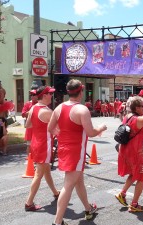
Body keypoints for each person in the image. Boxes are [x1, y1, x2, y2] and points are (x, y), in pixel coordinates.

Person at [48, 79, 107, 225]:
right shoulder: (82, 109)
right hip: (76, 151)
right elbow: (91, 132)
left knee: (78, 181)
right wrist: (102, 127)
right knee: (68, 185)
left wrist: (61, 134)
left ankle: (88, 209)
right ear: (80, 92)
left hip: (64, 149)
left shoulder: (59, 108)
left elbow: (50, 128)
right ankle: (57, 222)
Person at [24, 86, 59, 212]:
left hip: (36, 143)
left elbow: (27, 125)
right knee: (39, 174)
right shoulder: (47, 111)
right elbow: (58, 130)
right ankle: (29, 202)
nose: (51, 96)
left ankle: (55, 192)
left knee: (46, 170)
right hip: (44, 145)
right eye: (50, 94)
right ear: (44, 95)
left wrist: (40, 127)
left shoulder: (33, 107)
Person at [21, 89, 38, 157]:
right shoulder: (28, 104)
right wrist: (32, 111)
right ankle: (29, 159)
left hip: (38, 127)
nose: (32, 96)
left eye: (34, 95)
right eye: (31, 95)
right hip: (30, 127)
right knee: (29, 144)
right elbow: (23, 114)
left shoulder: (41, 104)